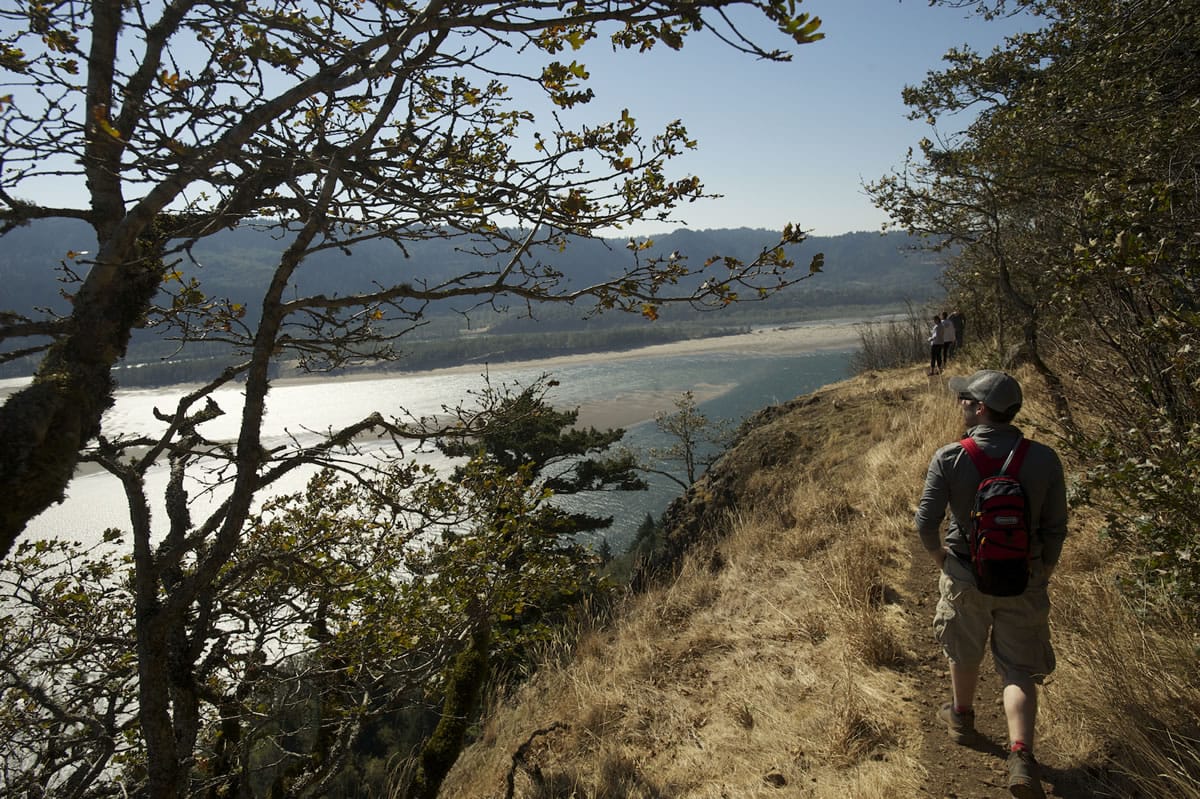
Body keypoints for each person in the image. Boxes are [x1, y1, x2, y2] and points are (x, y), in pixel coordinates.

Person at [915, 370, 1068, 799]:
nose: (960, 403)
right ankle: (1021, 754)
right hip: (1026, 578)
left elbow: (926, 522)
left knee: (964, 650)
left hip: (966, 575)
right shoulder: (1044, 459)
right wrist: (1044, 571)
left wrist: (942, 559)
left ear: (981, 409)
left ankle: (962, 718)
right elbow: (1056, 528)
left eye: (965, 399)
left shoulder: (950, 456)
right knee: (1019, 669)